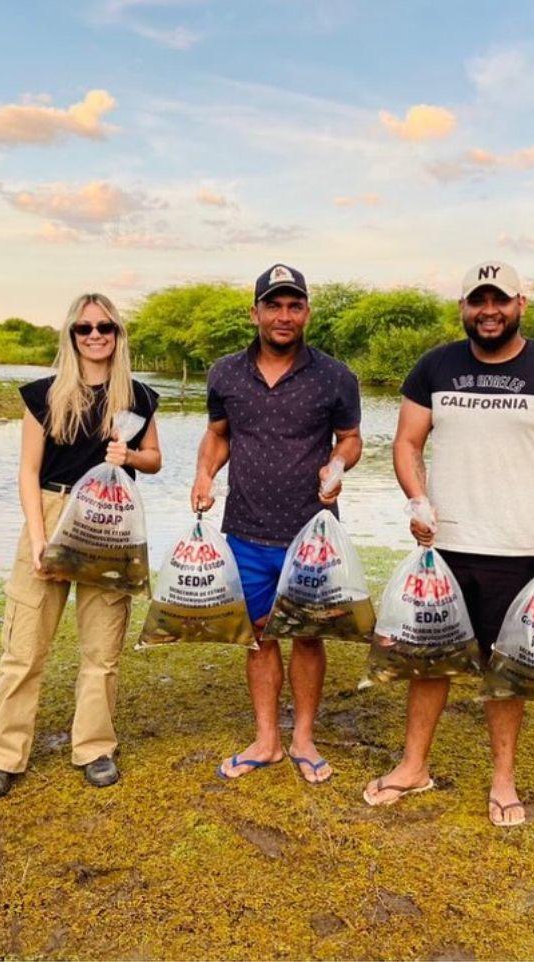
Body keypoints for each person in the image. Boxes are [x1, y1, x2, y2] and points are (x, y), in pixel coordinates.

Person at [365, 260, 534, 823]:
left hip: (522, 549)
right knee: (430, 662)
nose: (489, 311)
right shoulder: (435, 367)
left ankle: (502, 780)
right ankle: (413, 766)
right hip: (442, 549)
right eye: (478, 301)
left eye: (500, 300)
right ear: (463, 309)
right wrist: (416, 498)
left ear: (521, 304)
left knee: (506, 669)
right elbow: (407, 441)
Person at [0, 293, 161, 798]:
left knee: (102, 649)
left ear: (118, 335)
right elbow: (28, 471)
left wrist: (130, 457)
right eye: (85, 328)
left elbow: (155, 460)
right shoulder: (44, 394)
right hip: (54, 513)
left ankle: (94, 747)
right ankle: (2, 754)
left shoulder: (139, 398)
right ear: (71, 335)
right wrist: (38, 538)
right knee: (25, 645)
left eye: (106, 327)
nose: (96, 335)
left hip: (111, 522)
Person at [191, 264, 362, 784]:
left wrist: (337, 466)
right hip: (244, 528)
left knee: (309, 636)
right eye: (274, 305)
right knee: (259, 635)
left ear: (306, 312)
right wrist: (203, 473)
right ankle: (266, 739)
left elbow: (350, 439)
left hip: (312, 534)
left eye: (294, 306)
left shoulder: (336, 376)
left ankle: (303, 737)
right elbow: (218, 434)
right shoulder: (224, 373)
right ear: (256, 312)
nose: (284, 316)